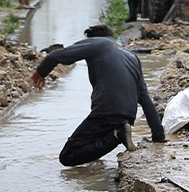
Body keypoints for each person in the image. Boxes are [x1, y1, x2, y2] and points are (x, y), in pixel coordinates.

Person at [30, 24, 166, 165]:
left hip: (107, 110)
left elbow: (55, 56)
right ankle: (117, 134)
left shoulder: (96, 43)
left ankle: (117, 135)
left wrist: (40, 72)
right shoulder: (131, 56)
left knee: (67, 156)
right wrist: (158, 134)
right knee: (92, 143)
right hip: (127, 114)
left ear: (91, 39)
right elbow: (144, 99)